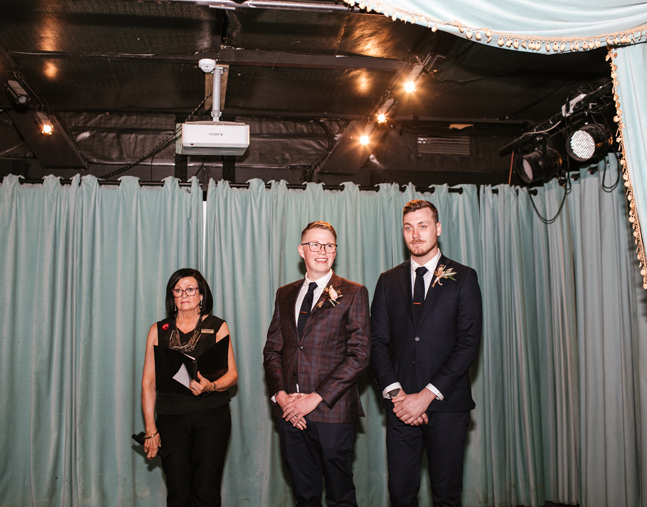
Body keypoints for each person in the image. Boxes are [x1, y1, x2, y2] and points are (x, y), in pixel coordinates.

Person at [370, 200, 483, 507]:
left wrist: (427, 395)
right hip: (400, 408)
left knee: (446, 495)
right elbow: (377, 343)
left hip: (448, 407)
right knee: (401, 495)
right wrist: (399, 396)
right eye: (408, 227)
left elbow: (468, 343)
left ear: (438, 229)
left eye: (423, 226)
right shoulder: (387, 280)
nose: (415, 234)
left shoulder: (464, 277)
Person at [263, 221, 371, 507]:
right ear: (301, 250)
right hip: (290, 414)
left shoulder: (354, 292)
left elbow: (359, 355)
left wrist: (315, 398)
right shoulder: (284, 293)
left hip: (332, 412)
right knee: (304, 496)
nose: (322, 251)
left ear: (335, 251)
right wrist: (283, 397)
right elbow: (273, 350)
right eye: (315, 244)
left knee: (340, 496)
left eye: (329, 245)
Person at [140, 268, 238, 507]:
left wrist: (211, 385)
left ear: (202, 295)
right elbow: (148, 383)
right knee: (178, 490)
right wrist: (151, 429)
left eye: (190, 289)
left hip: (212, 417)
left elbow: (233, 376)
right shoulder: (158, 330)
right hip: (171, 419)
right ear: (172, 296)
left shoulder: (217, 326)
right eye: (178, 290)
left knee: (206, 490)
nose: (184, 294)